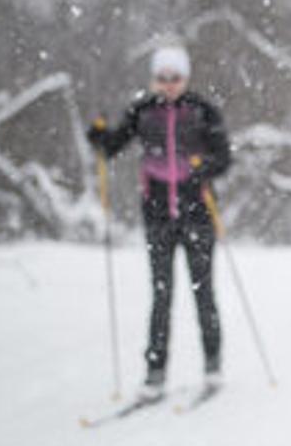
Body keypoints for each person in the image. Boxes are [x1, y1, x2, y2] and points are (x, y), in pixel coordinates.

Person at [88, 44, 231, 398]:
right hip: (157, 215)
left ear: (186, 78)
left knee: (203, 293)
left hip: (197, 213)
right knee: (161, 295)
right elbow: (113, 145)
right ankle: (155, 372)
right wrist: (100, 136)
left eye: (175, 77)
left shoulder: (202, 111)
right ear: (154, 79)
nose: (169, 84)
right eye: (162, 78)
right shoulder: (143, 111)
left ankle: (212, 364)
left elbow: (224, 157)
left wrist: (203, 168)